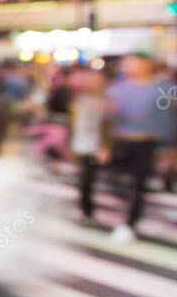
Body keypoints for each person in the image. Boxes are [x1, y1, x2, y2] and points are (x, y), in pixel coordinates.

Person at [101, 54, 175, 242]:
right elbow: (108, 119)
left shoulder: (164, 88)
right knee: (115, 182)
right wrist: (105, 145)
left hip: (147, 144)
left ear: (148, 64)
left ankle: (129, 224)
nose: (128, 66)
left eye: (134, 62)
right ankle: (125, 216)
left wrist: (169, 147)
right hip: (121, 142)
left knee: (139, 186)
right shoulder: (118, 88)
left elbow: (168, 119)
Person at [69, 67, 110, 226]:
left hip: (96, 146)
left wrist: (105, 146)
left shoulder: (105, 102)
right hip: (81, 146)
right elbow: (73, 125)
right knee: (85, 180)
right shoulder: (78, 101)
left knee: (89, 179)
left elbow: (106, 127)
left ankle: (88, 210)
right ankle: (87, 210)